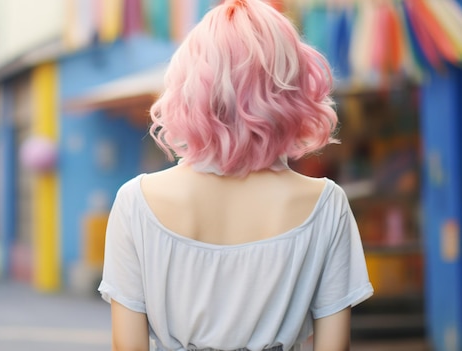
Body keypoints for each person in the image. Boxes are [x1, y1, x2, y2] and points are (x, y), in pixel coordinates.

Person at [98, 0, 373, 350]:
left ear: (191, 84)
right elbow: (335, 346)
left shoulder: (136, 202)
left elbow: (127, 346)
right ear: (290, 87)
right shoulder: (326, 205)